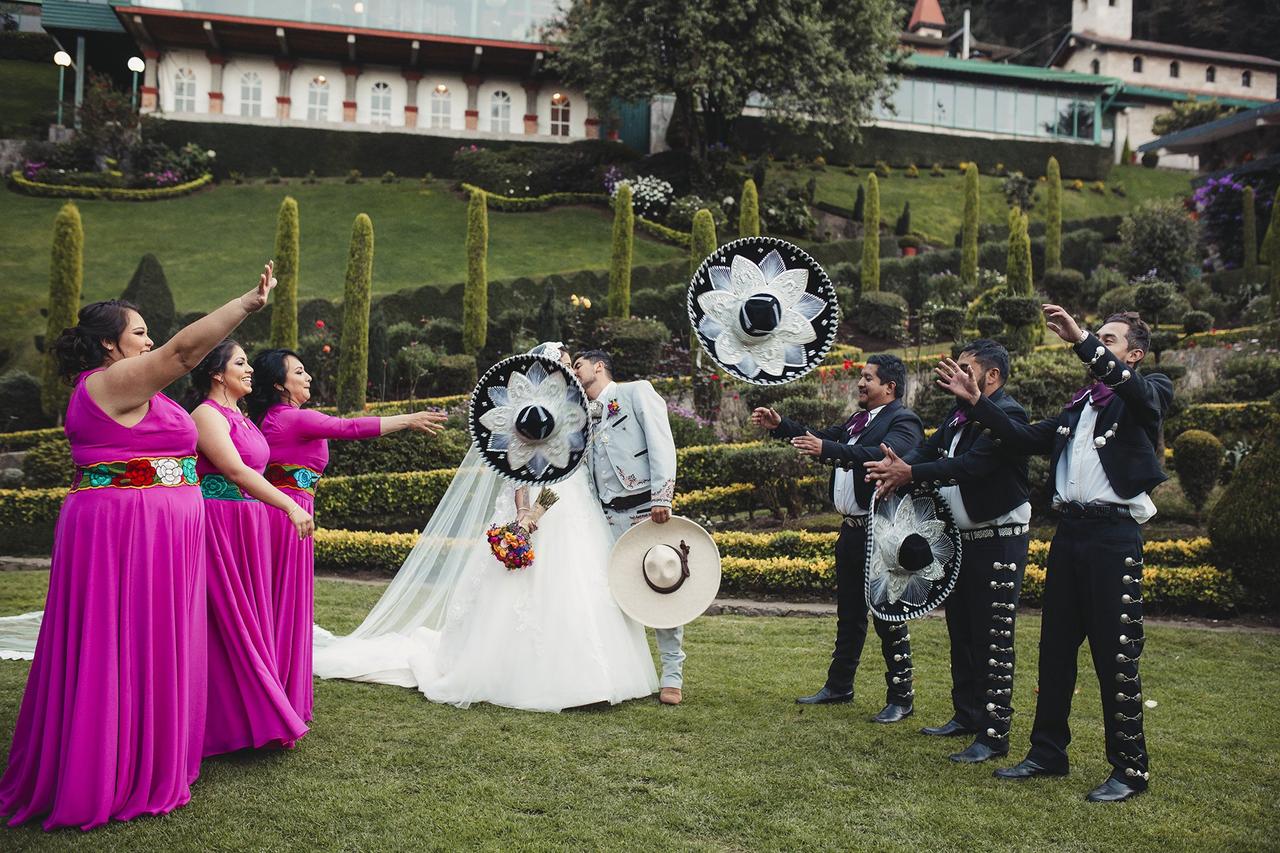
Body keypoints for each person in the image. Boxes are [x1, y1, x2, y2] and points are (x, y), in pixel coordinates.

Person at [0, 263, 276, 830]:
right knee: (121, 639)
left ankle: (151, 750)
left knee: (156, 640)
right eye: (140, 333)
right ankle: (109, 765)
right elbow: (183, 353)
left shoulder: (142, 390)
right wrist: (246, 304)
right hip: (127, 530)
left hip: (162, 531)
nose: (150, 342)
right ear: (109, 344)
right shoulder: (105, 384)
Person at [312, 343, 658, 712]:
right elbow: (516, 464)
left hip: (575, 502)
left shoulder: (578, 408)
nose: (571, 370)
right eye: (565, 364)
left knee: (581, 578)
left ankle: (596, 675)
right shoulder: (529, 411)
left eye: (573, 365)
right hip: (538, 502)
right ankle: (533, 674)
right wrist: (524, 513)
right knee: (529, 584)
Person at [935, 308, 1171, 803]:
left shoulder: (1149, 391)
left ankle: (1129, 770)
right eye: (1098, 337)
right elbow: (1022, 439)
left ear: (1134, 354)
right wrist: (977, 401)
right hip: (1070, 534)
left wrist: (1081, 338)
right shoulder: (1077, 408)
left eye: (1109, 339)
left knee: (1115, 656)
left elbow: (1135, 391)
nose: (1100, 344)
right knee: (1055, 650)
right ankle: (1047, 753)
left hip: (1114, 539)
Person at [247, 349, 448, 722]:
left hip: (284, 511)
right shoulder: (293, 418)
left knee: (278, 598)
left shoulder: (274, 418)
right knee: (284, 600)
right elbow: (349, 428)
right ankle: (276, 688)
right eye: (299, 372)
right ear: (278, 384)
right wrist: (408, 419)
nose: (308, 377)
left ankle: (273, 682)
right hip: (287, 515)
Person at [864, 340, 1031, 763]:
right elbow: (929, 450)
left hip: (999, 538)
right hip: (963, 540)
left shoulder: (1008, 415)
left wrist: (911, 472)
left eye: (965, 368)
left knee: (992, 636)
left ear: (992, 375)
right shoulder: (957, 417)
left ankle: (994, 735)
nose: (955, 374)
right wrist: (898, 467)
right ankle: (966, 715)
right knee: (962, 630)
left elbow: (972, 466)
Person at [751, 354, 924, 723]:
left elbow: (879, 455)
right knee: (849, 614)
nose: (860, 383)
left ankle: (901, 697)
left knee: (888, 615)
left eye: (868, 378)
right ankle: (839, 685)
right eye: (861, 376)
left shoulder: (903, 421)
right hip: (851, 531)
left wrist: (828, 450)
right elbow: (824, 438)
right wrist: (781, 426)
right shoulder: (859, 421)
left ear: (889, 387)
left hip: (882, 533)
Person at [189, 341, 311, 756]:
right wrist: (289, 505)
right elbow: (236, 470)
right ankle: (229, 722)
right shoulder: (206, 414)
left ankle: (252, 716)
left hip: (247, 524)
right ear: (216, 373)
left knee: (250, 619)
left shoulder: (241, 415)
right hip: (219, 523)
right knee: (228, 621)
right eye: (240, 363)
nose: (249, 369)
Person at [571, 350, 684, 705]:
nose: (574, 371)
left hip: (644, 510)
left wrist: (662, 497)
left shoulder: (637, 392)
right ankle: (621, 673)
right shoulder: (582, 413)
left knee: (660, 587)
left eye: (577, 365)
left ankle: (672, 674)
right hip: (603, 516)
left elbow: (661, 443)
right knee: (611, 593)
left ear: (598, 366)